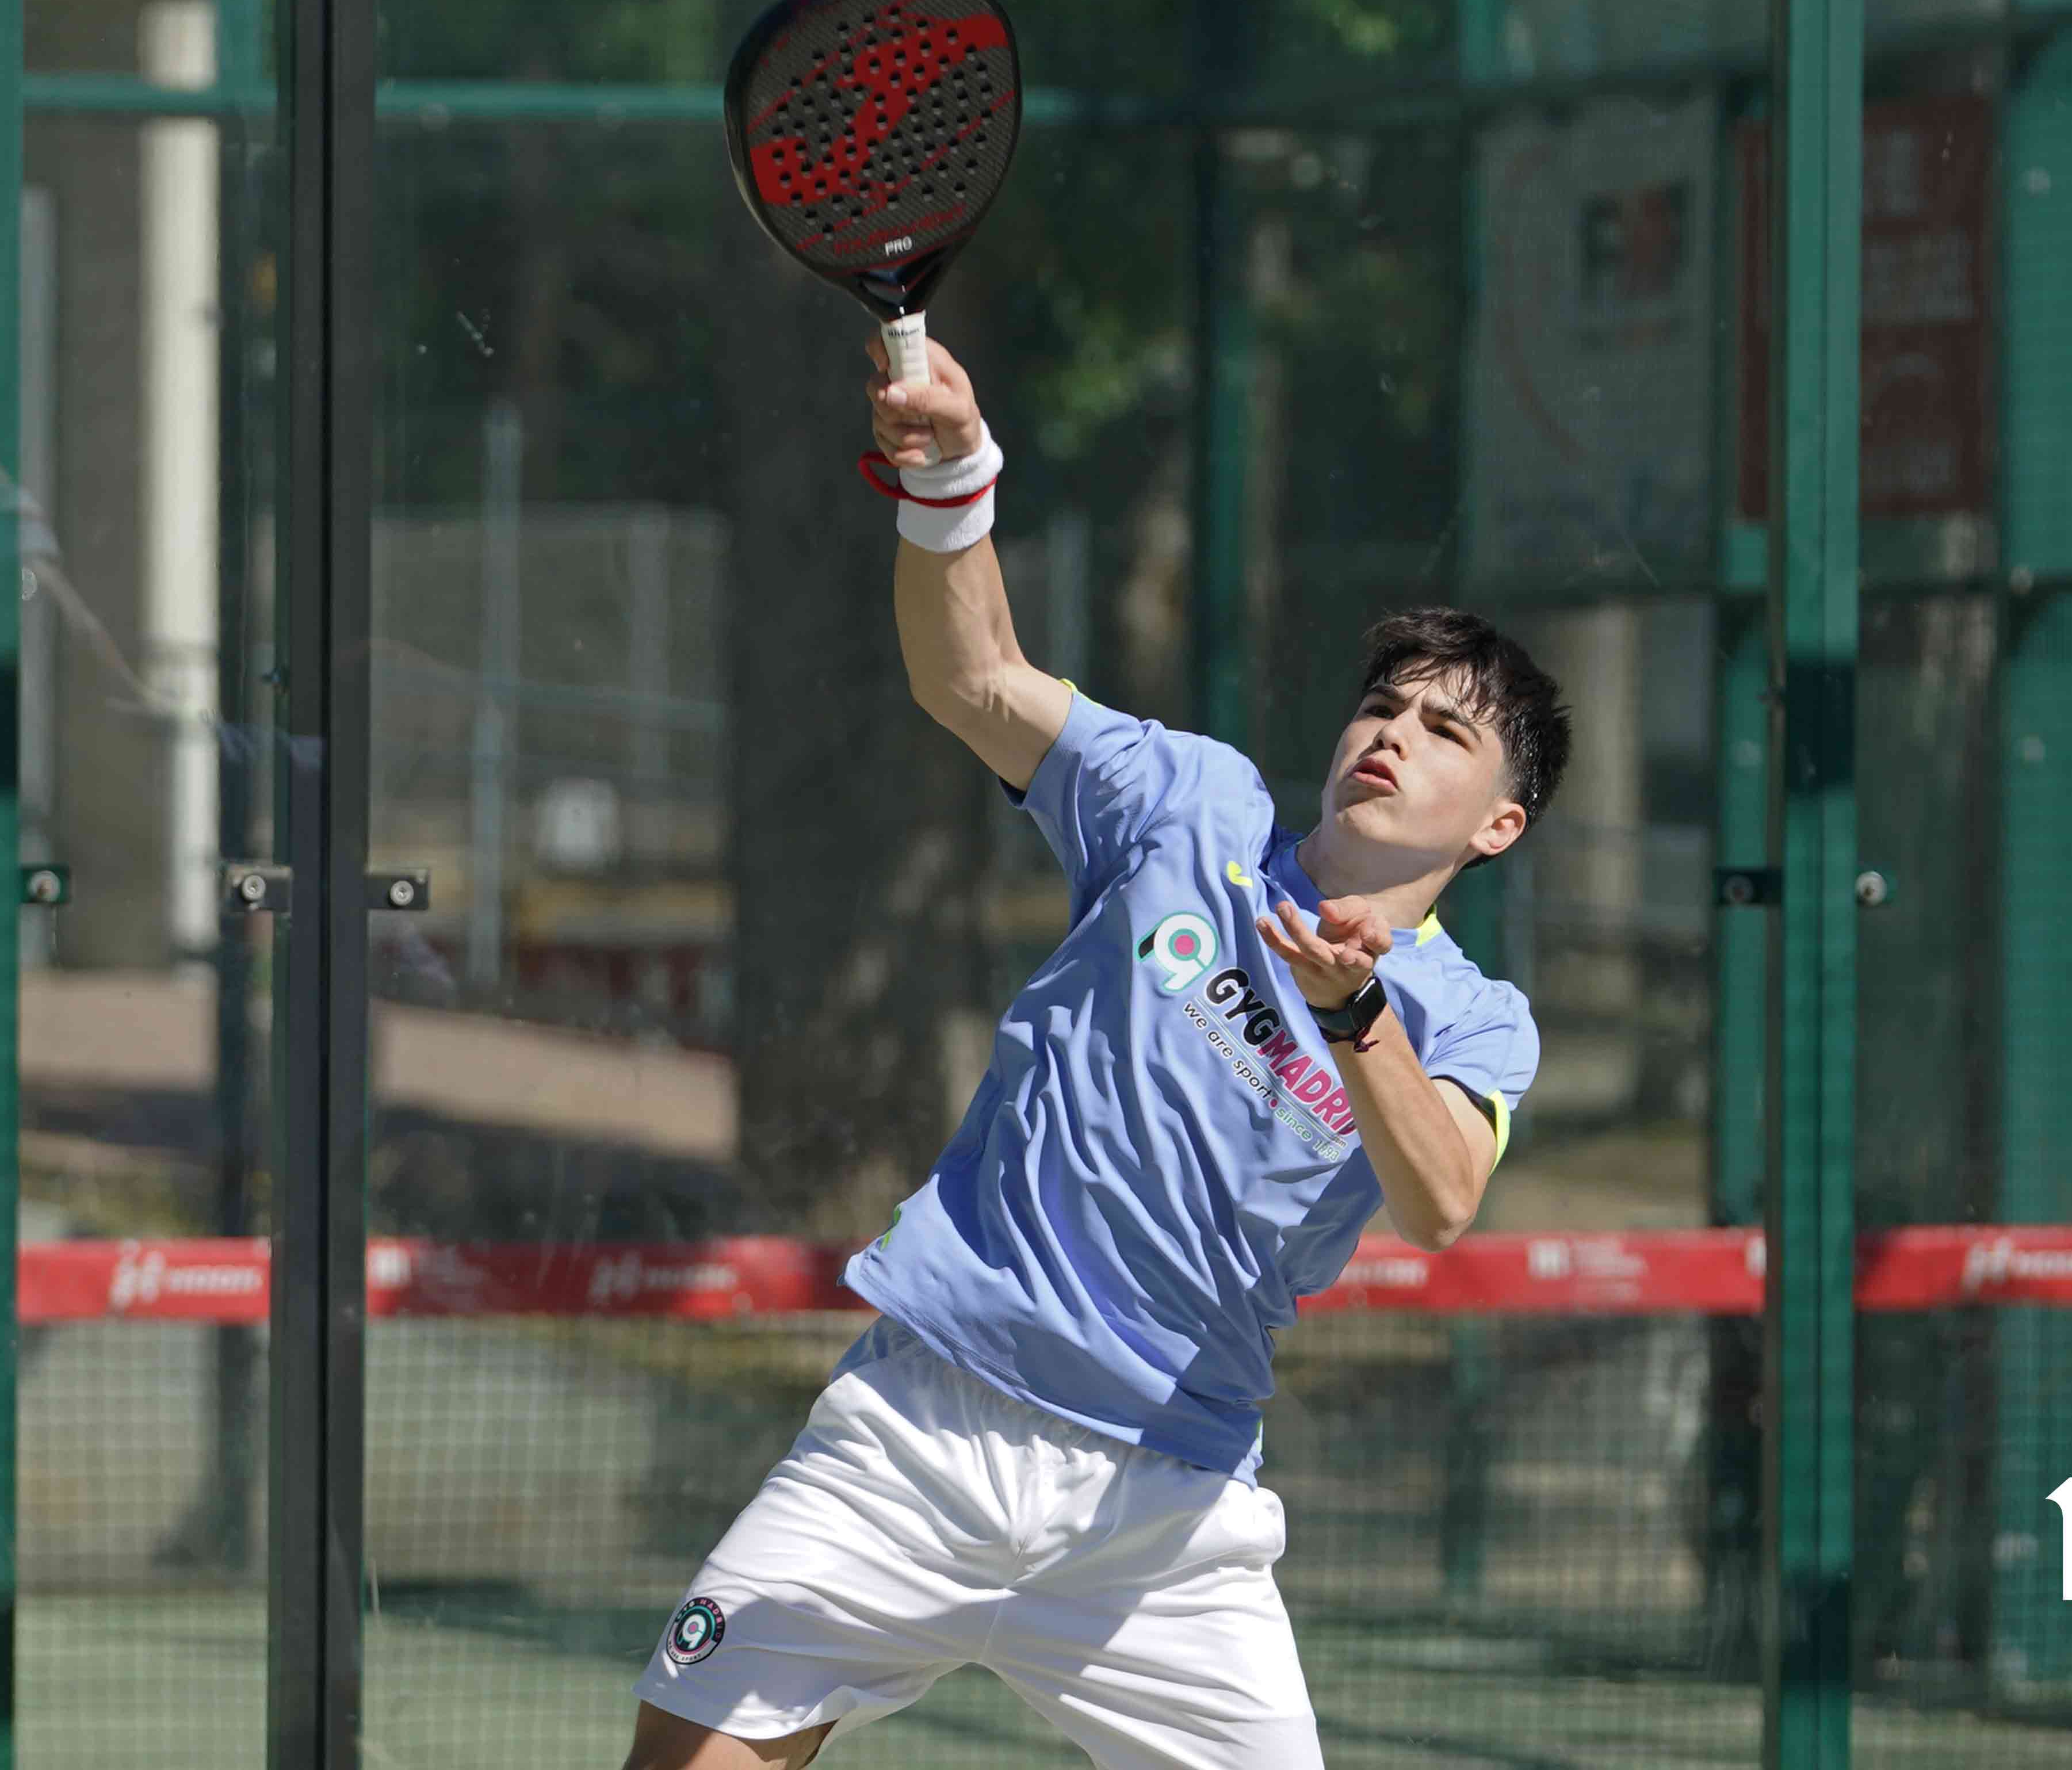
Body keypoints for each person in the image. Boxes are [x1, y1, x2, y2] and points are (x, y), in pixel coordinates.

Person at [625, 338, 1568, 1770]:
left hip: (1166, 1512)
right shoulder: (1188, 806)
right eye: (1384, 704)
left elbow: (1441, 1200)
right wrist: (952, 476)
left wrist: (1352, 1013)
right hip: (922, 1426)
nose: (1393, 734)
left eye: (1446, 731)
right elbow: (972, 675)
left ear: (1499, 824)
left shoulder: (1477, 1018)